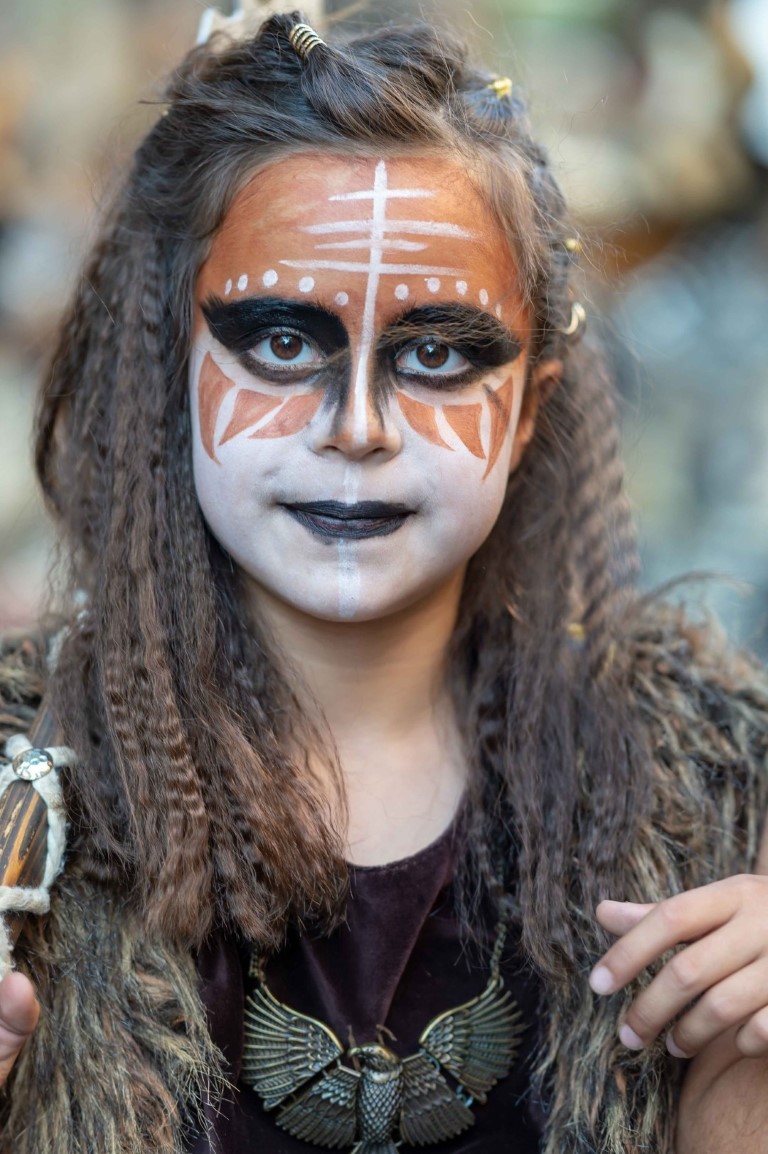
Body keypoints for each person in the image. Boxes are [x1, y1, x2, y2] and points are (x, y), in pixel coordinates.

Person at [0, 11, 767, 1153]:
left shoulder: (720, 792)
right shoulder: (17, 775)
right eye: (282, 343)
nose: (356, 427)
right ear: (174, 370)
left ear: (532, 408)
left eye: (436, 353)